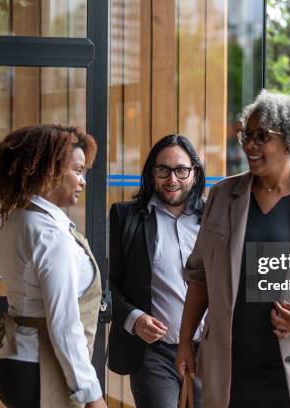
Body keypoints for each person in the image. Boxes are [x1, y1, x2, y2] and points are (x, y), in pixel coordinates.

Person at [176, 90, 290, 408]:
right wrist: (185, 341)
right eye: (246, 134)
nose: (248, 145)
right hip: (233, 368)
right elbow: (199, 275)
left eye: (261, 136)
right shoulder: (222, 195)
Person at [0, 124, 108, 408]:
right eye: (77, 171)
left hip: (13, 362)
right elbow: (64, 325)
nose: (83, 181)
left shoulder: (16, 220)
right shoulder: (49, 234)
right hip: (41, 371)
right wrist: (92, 395)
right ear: (49, 170)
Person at [108, 135, 205, 407]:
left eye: (181, 170)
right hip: (153, 354)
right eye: (163, 170)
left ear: (195, 174)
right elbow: (103, 285)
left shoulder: (214, 218)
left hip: (208, 353)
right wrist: (134, 319)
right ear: (152, 174)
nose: (172, 179)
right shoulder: (125, 217)